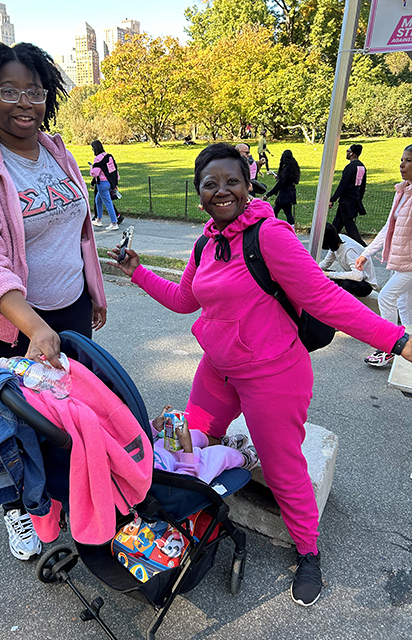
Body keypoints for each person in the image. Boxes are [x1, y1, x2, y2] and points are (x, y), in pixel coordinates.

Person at [109, 142, 412, 608]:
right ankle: (194, 519)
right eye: (210, 183)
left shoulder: (269, 236)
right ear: (199, 193)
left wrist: (398, 340)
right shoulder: (205, 242)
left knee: (283, 467)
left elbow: (325, 298)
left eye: (232, 181)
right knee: (185, 442)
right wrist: (138, 272)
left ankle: (308, 551)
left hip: (274, 376)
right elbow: (185, 300)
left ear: (248, 185)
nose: (222, 190)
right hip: (218, 369)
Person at [0, 41, 107, 561]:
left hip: (68, 309)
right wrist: (34, 327)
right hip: (6, 321)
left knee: (65, 410)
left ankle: (57, 492)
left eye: (33, 90)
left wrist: (92, 291)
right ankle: (17, 506)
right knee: (14, 420)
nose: (24, 103)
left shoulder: (58, 152)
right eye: (8, 91)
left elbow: (78, 230)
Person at [356, 144, 412, 367]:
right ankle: (406, 348)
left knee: (387, 297)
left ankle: (389, 347)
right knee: (404, 305)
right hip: (401, 261)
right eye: (401, 159)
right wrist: (366, 253)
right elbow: (388, 227)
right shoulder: (403, 191)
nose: (402, 165)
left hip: (409, 264)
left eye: (408, 160)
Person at [151, 406, 258, 482]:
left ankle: (223, 443)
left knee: (196, 435)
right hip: (187, 469)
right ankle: (245, 459)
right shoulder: (147, 480)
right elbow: (184, 482)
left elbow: (141, 437)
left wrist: (154, 426)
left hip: (162, 450)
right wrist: (187, 448)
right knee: (220, 454)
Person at [319, 222, 378, 297]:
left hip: (365, 284)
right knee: (324, 276)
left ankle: (339, 301)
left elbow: (358, 276)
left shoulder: (349, 251)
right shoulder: (337, 241)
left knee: (344, 284)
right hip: (354, 278)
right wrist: (316, 270)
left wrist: (328, 274)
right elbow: (327, 262)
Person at [329, 144, 367, 247]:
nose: (346, 153)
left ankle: (361, 245)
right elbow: (362, 185)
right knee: (337, 222)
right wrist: (359, 199)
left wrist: (333, 199)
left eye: (348, 151)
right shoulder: (361, 167)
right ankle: (329, 241)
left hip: (346, 200)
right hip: (354, 199)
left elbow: (343, 185)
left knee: (349, 225)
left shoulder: (350, 167)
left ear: (352, 153)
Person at [264, 150, 300, 228]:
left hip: (284, 194)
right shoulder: (294, 167)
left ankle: (274, 227)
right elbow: (290, 180)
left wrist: (268, 194)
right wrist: (280, 177)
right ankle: (290, 228)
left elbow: (281, 184)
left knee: (278, 212)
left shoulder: (286, 169)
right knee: (284, 212)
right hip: (291, 192)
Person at [90, 139, 120, 231]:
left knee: (108, 203)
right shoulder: (109, 157)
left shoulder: (98, 158)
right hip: (109, 182)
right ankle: (98, 220)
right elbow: (114, 170)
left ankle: (114, 223)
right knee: (98, 200)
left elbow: (95, 173)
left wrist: (91, 168)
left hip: (102, 184)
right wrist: (115, 183)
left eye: (92, 149)